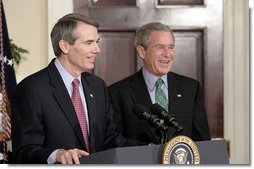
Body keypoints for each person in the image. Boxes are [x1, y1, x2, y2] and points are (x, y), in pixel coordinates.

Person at [11, 13, 143, 164]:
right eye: (89, 43)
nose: (97, 49)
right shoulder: (32, 88)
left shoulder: (97, 86)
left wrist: (153, 149)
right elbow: (24, 151)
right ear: (65, 46)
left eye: (97, 42)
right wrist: (57, 154)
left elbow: (110, 139)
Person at [108, 22, 211, 144]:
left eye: (171, 47)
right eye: (160, 47)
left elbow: (202, 141)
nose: (167, 54)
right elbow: (114, 141)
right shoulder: (117, 93)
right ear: (142, 52)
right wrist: (151, 151)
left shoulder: (191, 89)